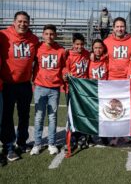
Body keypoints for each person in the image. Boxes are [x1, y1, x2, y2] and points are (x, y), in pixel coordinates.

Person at [0, 11, 39, 162]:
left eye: (26, 22)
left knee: (24, 114)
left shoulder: (34, 39)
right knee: (7, 116)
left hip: (25, 84)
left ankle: (21, 142)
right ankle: (9, 147)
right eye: (20, 21)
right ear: (14, 22)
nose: (23, 24)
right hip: (7, 84)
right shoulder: (3, 36)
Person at [30, 24, 66, 155]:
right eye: (46, 34)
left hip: (54, 89)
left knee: (52, 117)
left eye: (51, 34)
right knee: (39, 117)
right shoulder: (37, 48)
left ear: (55, 35)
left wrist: (65, 74)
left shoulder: (61, 50)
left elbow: (64, 66)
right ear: (42, 35)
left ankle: (51, 143)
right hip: (39, 87)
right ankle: (37, 143)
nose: (49, 36)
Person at [104, 17, 131, 146]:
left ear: (125, 27)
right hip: (111, 80)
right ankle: (114, 134)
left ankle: (125, 133)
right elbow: (100, 56)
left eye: (122, 26)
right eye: (117, 26)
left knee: (126, 108)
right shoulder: (106, 41)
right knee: (114, 108)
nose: (120, 29)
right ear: (113, 28)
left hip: (127, 80)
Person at [63, 33, 90, 149]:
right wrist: (64, 76)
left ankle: (82, 135)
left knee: (83, 113)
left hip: (83, 89)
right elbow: (64, 71)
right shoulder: (68, 55)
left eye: (82, 44)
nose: (79, 47)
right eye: (77, 44)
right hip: (72, 89)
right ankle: (72, 136)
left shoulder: (87, 54)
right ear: (73, 44)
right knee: (72, 113)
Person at [88, 39, 109, 145]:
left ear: (103, 48)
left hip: (104, 91)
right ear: (92, 48)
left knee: (103, 114)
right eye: (95, 48)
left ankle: (104, 135)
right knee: (91, 114)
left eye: (100, 47)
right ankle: (90, 136)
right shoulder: (88, 59)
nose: (98, 50)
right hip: (91, 91)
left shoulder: (107, 59)